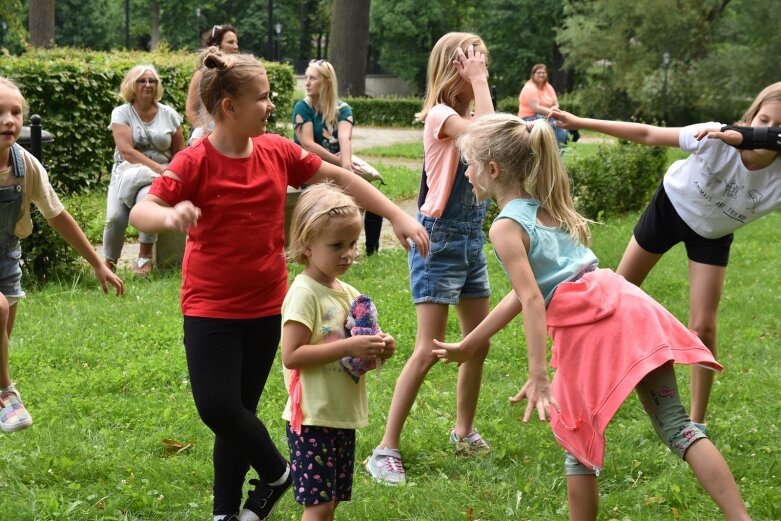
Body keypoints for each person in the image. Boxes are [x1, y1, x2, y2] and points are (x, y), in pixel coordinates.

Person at [128, 50, 428, 521]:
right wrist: (168, 214)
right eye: (263, 98)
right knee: (218, 407)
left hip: (266, 306)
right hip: (209, 307)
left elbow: (341, 178)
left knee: (241, 410)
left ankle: (226, 512)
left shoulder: (277, 152)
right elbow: (141, 209)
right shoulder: (195, 161)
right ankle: (277, 473)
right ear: (229, 107)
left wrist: (395, 213)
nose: (271, 106)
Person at [432, 113, 751, 521]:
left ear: (492, 170)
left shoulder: (505, 228)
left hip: (591, 333)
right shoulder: (542, 206)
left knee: (578, 446)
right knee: (679, 427)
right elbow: (525, 291)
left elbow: (532, 298)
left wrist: (538, 375)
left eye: (470, 166)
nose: (467, 174)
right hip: (629, 310)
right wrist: (472, 340)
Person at [550, 82, 781, 430]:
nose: (767, 131)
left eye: (777, 127)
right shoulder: (715, 136)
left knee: (704, 325)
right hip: (670, 209)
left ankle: (696, 422)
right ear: (752, 114)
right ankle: (574, 378)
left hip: (712, 234)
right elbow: (647, 133)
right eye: (764, 120)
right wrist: (580, 120)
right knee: (613, 296)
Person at [364, 32, 493, 486]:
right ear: (452, 68)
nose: (481, 68)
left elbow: (492, 161)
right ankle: (385, 449)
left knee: (477, 343)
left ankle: (463, 431)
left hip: (471, 240)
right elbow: (491, 139)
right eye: (472, 61)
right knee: (429, 350)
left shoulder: (471, 117)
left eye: (482, 61)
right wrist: (479, 83)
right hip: (437, 243)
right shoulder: (441, 116)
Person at [0, 76, 124, 433]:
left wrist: (97, 261)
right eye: (1, 112)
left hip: (6, 258)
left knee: (1, 340)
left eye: (16, 112)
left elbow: (57, 216)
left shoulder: (25, 165)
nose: (10, 119)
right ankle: (7, 394)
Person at [281, 183, 396, 520]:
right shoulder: (304, 293)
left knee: (329, 504)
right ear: (306, 245)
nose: (347, 254)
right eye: (336, 246)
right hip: (313, 417)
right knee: (317, 506)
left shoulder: (348, 292)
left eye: (352, 244)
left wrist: (380, 347)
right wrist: (348, 345)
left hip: (340, 414)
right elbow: (292, 355)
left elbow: (357, 345)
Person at [293, 59, 384, 256]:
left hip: (337, 165)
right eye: (306, 77)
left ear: (327, 82)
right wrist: (343, 166)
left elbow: (345, 137)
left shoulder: (343, 110)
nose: (307, 82)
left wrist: (348, 170)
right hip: (309, 170)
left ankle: (371, 250)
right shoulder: (302, 108)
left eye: (313, 78)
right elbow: (308, 145)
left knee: (371, 192)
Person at [103, 64, 185, 276]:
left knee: (146, 203)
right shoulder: (121, 113)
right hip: (127, 173)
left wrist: (172, 174)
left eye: (152, 81)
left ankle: (144, 258)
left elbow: (180, 151)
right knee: (114, 218)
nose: (148, 85)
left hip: (158, 178)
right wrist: (158, 168)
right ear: (132, 85)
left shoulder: (169, 114)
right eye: (142, 80)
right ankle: (108, 265)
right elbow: (127, 151)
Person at [186, 24, 240, 144]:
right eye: (230, 42)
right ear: (217, 45)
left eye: (236, 42)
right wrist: (205, 132)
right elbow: (190, 110)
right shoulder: (201, 74)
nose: (236, 46)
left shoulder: (237, 74)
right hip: (203, 137)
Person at [517, 63, 569, 149]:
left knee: (563, 128)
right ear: (533, 74)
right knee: (555, 127)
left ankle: (558, 152)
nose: (541, 74)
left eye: (543, 72)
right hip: (529, 117)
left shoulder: (548, 87)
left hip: (545, 115)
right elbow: (536, 108)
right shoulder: (530, 87)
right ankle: (555, 152)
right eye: (538, 72)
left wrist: (555, 109)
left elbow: (556, 103)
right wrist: (554, 113)